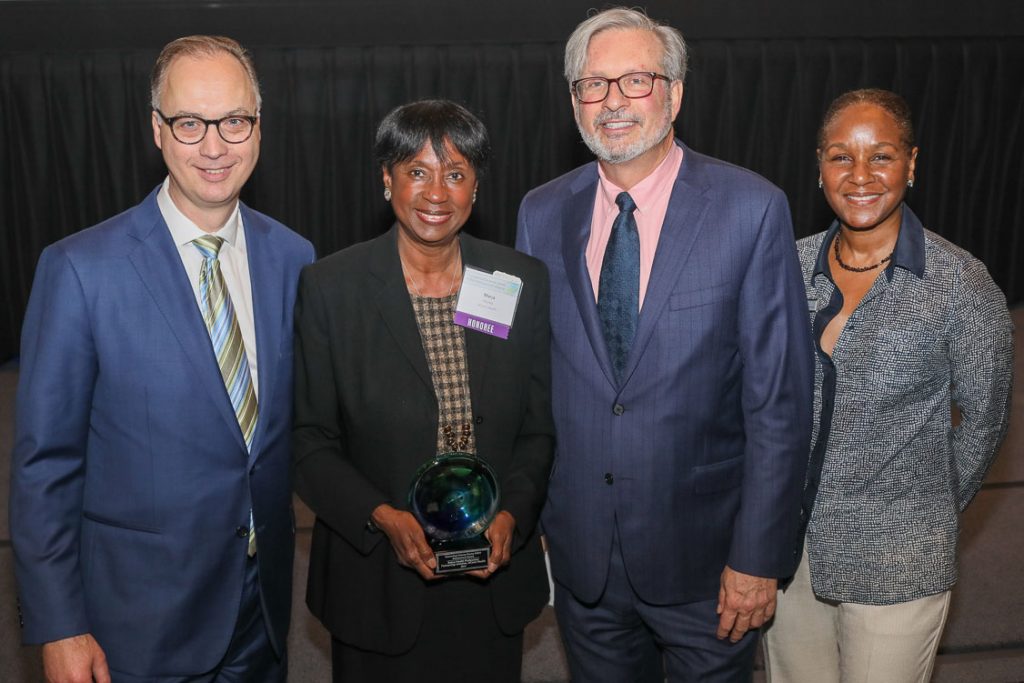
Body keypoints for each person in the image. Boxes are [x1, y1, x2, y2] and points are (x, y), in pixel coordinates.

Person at [515, 7, 814, 681]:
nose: (613, 101)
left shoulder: (750, 208)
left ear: (675, 93)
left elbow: (779, 403)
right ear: (574, 100)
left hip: (708, 565)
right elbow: (532, 381)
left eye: (637, 80)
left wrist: (758, 556)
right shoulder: (540, 211)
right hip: (583, 558)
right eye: (594, 85)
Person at [9, 35, 314, 681]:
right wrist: (59, 624)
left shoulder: (293, 257)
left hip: (262, 606)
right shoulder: (79, 270)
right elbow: (46, 466)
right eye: (189, 122)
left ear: (258, 127)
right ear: (156, 129)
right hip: (138, 620)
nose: (213, 145)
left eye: (234, 121)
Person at [292, 99, 555, 682]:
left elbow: (538, 427)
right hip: (379, 574)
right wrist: (382, 516)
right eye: (417, 171)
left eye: (456, 174)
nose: (437, 192)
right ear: (386, 180)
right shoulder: (332, 289)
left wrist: (514, 511)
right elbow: (309, 440)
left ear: (476, 188)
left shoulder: (517, 282)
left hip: (492, 564)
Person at [760, 88, 1014, 682]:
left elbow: (984, 424)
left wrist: (925, 510)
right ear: (818, 166)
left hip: (900, 558)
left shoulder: (961, 287)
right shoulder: (783, 269)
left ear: (912, 164)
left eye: (882, 156)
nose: (860, 175)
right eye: (841, 156)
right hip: (789, 552)